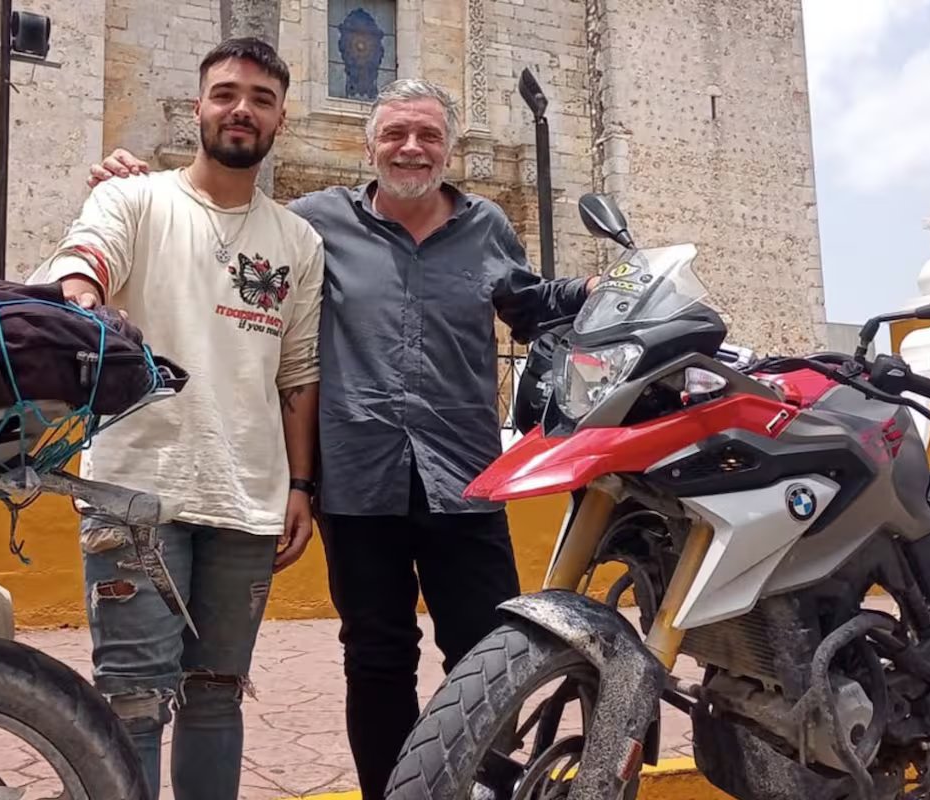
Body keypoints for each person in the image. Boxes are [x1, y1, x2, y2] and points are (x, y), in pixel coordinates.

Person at [87, 78, 599, 800]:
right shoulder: (316, 221)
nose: (411, 148)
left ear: (449, 148)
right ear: (370, 146)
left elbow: (529, 306)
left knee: (493, 655)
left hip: (467, 479)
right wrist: (133, 187)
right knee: (377, 658)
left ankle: (480, 787)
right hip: (359, 481)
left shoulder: (487, 226)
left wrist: (604, 290)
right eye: (395, 134)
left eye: (427, 135)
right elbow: (227, 227)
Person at [27, 38, 324, 800]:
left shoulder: (298, 241)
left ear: (279, 118)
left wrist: (300, 485)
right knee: (131, 701)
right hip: (136, 494)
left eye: (260, 98)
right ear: (199, 106)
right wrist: (83, 297)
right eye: (226, 93)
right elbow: (84, 259)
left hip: (248, 502)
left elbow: (298, 374)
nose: (241, 109)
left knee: (218, 698)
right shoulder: (133, 198)